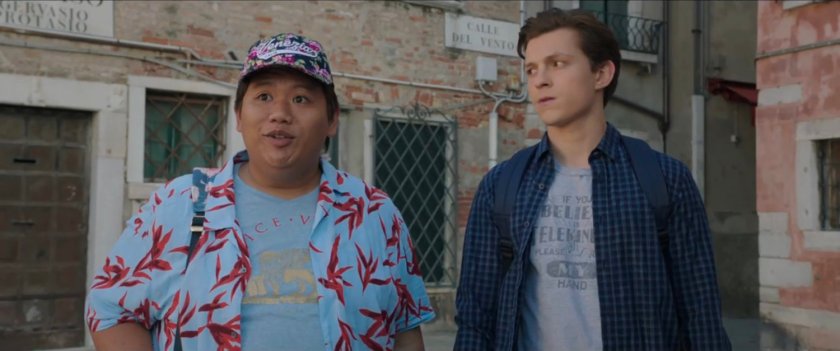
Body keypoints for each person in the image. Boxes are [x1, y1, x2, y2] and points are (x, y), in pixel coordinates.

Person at [85, 33, 434, 351]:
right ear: (239, 115)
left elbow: (404, 329)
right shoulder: (180, 204)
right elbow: (111, 310)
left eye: (301, 99)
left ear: (331, 119)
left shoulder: (374, 212)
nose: (279, 114)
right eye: (263, 96)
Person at [455, 8, 731, 351]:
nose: (539, 80)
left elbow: (700, 314)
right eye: (531, 69)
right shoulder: (501, 187)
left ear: (601, 73)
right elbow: (476, 317)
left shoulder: (665, 180)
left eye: (557, 64)